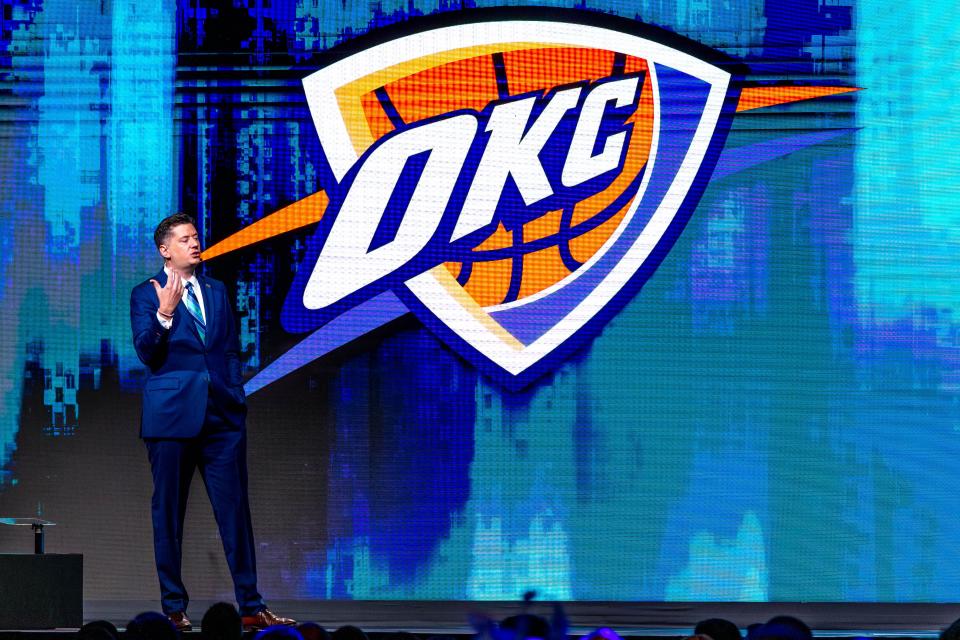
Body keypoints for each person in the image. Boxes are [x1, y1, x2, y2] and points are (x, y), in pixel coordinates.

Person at [130, 213, 294, 632]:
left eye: (196, 237)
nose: (195, 244)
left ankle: (252, 606)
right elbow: (148, 354)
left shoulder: (217, 290)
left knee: (235, 511)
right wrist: (165, 314)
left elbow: (230, 349)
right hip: (171, 419)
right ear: (165, 249)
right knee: (169, 514)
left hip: (222, 416)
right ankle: (173, 608)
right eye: (185, 239)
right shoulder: (145, 295)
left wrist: (235, 391)